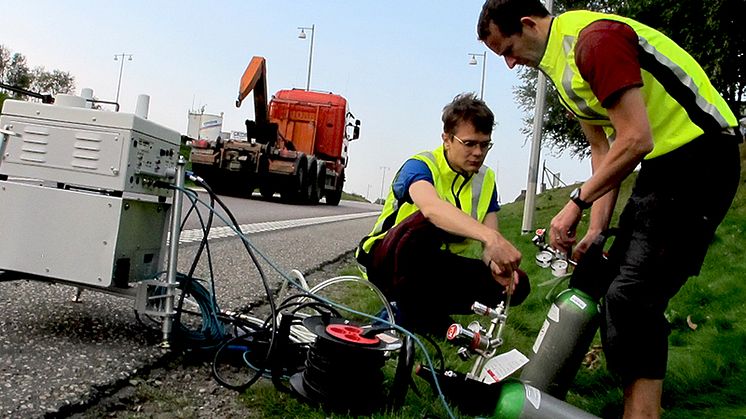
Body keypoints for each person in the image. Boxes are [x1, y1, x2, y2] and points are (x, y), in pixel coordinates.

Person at [477, 1, 742, 417]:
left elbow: (635, 138)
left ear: (528, 24)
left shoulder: (593, 43)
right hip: (663, 167)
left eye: (507, 49)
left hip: (704, 157)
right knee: (599, 277)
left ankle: (641, 414)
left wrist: (575, 203)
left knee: (632, 297)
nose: (510, 63)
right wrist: (595, 230)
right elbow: (603, 149)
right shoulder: (559, 68)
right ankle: (556, 397)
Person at [356, 93, 530, 335]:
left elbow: (491, 243)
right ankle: (431, 321)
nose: (478, 152)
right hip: (387, 261)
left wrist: (497, 265)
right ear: (447, 139)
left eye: (484, 144)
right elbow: (431, 208)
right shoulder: (421, 165)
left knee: (517, 285)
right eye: (469, 143)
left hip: (435, 267)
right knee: (426, 225)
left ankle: (404, 315)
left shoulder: (486, 179)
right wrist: (490, 238)